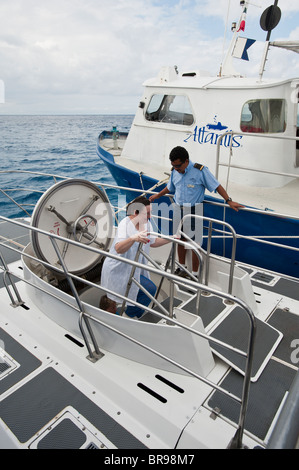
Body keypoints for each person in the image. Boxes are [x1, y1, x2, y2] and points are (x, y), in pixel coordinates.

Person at [149, 146, 243, 277]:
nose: (176, 169)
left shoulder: (200, 171)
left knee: (194, 243)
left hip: (194, 210)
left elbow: (216, 185)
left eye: (178, 166)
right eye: (174, 166)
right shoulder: (175, 171)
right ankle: (182, 268)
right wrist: (157, 195)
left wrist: (229, 200)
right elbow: (169, 187)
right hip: (178, 209)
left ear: (186, 161)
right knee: (179, 240)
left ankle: (195, 274)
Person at [101, 196, 171, 319]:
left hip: (133, 268)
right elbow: (118, 248)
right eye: (147, 213)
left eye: (151, 213)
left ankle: (128, 313)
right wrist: (133, 239)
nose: (150, 216)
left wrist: (171, 238)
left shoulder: (146, 223)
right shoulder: (125, 224)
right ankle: (128, 315)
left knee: (135, 292)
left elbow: (153, 242)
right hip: (118, 269)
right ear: (135, 213)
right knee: (148, 289)